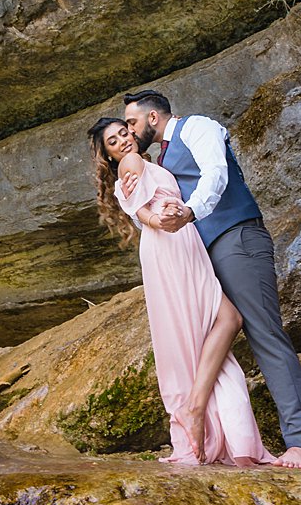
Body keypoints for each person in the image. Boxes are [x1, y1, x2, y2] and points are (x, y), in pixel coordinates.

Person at [121, 89, 301, 469]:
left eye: (131, 122)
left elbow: (216, 173)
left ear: (152, 117)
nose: (129, 131)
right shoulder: (157, 161)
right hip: (202, 258)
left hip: (237, 238)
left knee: (265, 334)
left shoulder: (197, 128)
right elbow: (152, 210)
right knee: (210, 339)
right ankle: (221, 440)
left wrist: (191, 211)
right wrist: (133, 199)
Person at [90, 116, 282, 466]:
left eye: (124, 132)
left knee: (206, 328)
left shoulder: (141, 164)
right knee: (227, 317)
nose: (123, 141)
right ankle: (197, 411)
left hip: (177, 241)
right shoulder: (132, 164)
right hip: (171, 241)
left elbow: (137, 207)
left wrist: (157, 217)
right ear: (109, 155)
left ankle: (196, 413)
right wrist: (158, 219)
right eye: (113, 142)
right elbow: (142, 211)